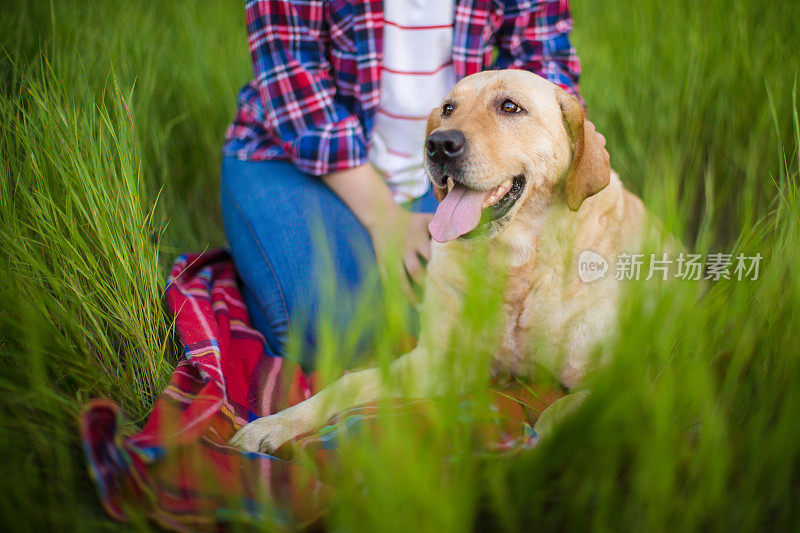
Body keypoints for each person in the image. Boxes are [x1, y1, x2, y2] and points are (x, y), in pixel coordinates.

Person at [221, 0, 585, 370]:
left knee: (461, 323)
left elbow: (544, 63)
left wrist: (557, 137)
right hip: (294, 154)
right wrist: (384, 219)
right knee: (325, 337)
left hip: (458, 159)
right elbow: (294, 83)